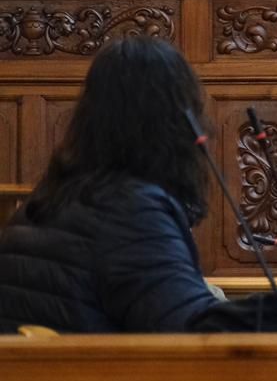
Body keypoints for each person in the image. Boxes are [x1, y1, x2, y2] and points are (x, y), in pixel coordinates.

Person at [0, 36, 226, 333]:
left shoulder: (47, 199)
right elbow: (197, 335)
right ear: (176, 124)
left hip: (43, 377)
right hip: (97, 378)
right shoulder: (132, 211)